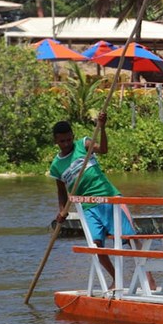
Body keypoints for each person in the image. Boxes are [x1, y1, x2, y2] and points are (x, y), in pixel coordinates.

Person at [49, 114, 136, 282]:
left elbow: (103, 150)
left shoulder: (84, 144)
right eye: (62, 141)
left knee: (130, 239)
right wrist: (61, 211)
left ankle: (149, 280)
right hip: (87, 206)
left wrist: (102, 127)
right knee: (96, 245)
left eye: (68, 140)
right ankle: (116, 280)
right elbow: (61, 191)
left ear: (73, 136)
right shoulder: (56, 166)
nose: (66, 144)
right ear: (55, 141)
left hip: (107, 198)